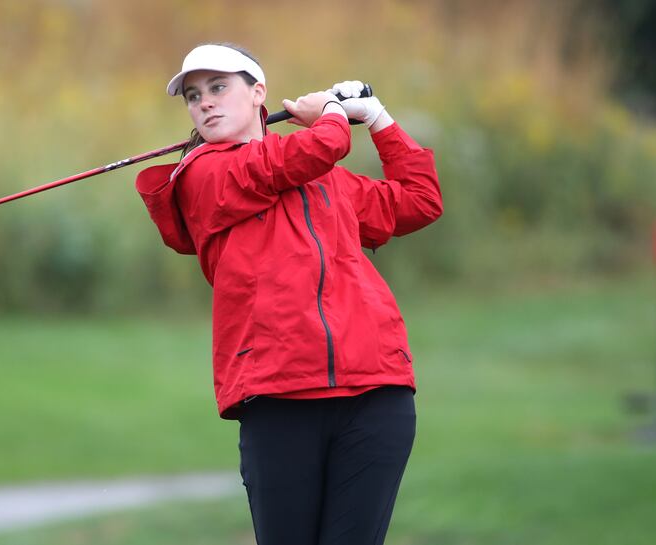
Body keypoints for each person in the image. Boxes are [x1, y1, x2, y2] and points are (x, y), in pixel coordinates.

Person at [136, 43, 442, 545]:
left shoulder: (328, 182)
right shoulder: (203, 174)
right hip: (279, 397)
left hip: (375, 391)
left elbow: (421, 201)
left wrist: (380, 119)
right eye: (193, 96)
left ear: (259, 95)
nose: (205, 103)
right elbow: (309, 151)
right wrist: (332, 114)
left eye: (218, 88)